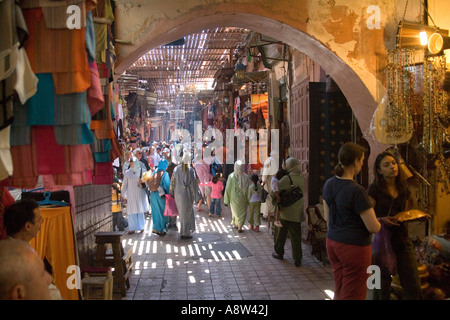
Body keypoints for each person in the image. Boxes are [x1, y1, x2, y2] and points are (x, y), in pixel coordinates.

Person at [322, 142, 381, 300]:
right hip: (353, 247)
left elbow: (327, 218)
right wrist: (381, 221)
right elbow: (373, 227)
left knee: (341, 290)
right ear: (355, 161)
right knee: (353, 293)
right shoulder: (357, 191)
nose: (362, 163)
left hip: (333, 242)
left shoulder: (329, 184)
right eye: (362, 160)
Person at [367, 150, 424, 300]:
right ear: (379, 170)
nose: (393, 167)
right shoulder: (374, 189)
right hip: (380, 242)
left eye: (394, 163)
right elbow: (368, 216)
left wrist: (417, 216)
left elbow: (404, 214)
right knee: (380, 286)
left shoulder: (403, 189)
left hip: (402, 239)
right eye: (387, 165)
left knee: (412, 282)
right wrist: (382, 220)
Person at [272, 157, 305, 266]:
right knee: (296, 238)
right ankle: (297, 259)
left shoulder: (287, 178)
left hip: (285, 213)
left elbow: (275, 191)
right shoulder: (302, 178)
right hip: (297, 214)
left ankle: (279, 253)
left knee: (280, 235)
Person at [170, 151, 202, 239]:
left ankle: (185, 231)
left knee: (182, 213)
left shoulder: (176, 169)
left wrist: (171, 193)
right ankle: (184, 233)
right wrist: (197, 197)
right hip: (187, 195)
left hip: (178, 194)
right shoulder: (190, 170)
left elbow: (172, 182)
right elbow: (194, 185)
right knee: (187, 213)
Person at [121, 156, 149, 234]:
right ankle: (132, 228)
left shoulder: (142, 171)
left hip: (140, 193)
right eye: (130, 161)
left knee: (140, 210)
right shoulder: (127, 172)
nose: (130, 163)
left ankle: (142, 227)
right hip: (131, 193)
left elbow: (146, 184)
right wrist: (123, 194)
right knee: (131, 210)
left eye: (132, 161)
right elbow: (124, 184)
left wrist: (142, 183)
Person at [224, 160, 249, 233]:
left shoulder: (231, 176)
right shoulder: (246, 177)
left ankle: (237, 224)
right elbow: (248, 189)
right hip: (243, 198)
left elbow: (228, 188)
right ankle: (240, 226)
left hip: (234, 197)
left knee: (235, 211)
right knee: (242, 212)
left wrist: (226, 200)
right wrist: (248, 199)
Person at [149, 159, 170, 236]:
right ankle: (162, 229)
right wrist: (168, 194)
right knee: (162, 212)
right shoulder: (164, 174)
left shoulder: (154, 172)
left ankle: (155, 228)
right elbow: (167, 185)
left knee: (155, 212)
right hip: (161, 195)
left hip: (152, 195)